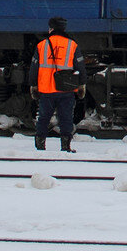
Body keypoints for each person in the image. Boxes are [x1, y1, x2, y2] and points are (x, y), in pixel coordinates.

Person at [30, 16, 86, 151]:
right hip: (65, 89)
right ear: (64, 29)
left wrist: (33, 85)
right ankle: (66, 146)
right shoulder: (72, 45)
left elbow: (34, 68)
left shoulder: (42, 45)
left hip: (46, 90)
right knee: (66, 118)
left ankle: (40, 145)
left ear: (51, 29)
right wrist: (81, 84)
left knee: (43, 117)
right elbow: (80, 67)